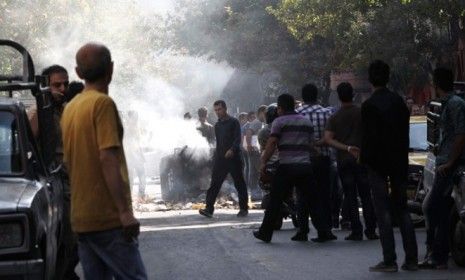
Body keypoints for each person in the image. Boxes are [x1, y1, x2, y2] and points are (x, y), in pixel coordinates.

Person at [61, 43, 147, 280]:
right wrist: (124, 213)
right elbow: (107, 157)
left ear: (78, 73)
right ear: (111, 68)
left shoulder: (70, 109)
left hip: (81, 219)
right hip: (107, 218)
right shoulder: (102, 104)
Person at [361, 60, 418, 272]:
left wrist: (365, 161)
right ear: (388, 77)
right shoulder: (399, 103)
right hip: (398, 162)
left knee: (383, 211)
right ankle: (411, 259)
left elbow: (368, 139)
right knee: (402, 209)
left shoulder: (369, 106)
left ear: (370, 79)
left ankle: (389, 260)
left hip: (377, 164)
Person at [253, 94, 315, 243]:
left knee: (275, 200)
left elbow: (272, 143)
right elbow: (311, 144)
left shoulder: (279, 122)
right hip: (305, 166)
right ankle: (323, 231)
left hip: (286, 166)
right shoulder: (306, 122)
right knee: (311, 199)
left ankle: (265, 233)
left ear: (280, 108)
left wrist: (263, 162)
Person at [420, 68, 465, 270]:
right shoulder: (445, 105)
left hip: (450, 165)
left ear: (436, 84)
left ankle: (438, 254)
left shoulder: (456, 105)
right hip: (444, 162)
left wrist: (449, 162)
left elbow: (460, 135)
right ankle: (437, 253)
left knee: (433, 207)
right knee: (439, 208)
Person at [324, 82, 378, 241]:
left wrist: (346, 148)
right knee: (366, 195)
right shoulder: (362, 113)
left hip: (344, 160)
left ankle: (356, 230)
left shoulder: (335, 117)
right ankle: (371, 230)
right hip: (362, 159)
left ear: (339, 97)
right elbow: (372, 135)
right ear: (353, 94)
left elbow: (328, 139)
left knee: (350, 196)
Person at [296, 84, 336, 242]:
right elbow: (332, 137)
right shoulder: (327, 113)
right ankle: (325, 231)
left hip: (302, 160)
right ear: (317, 96)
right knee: (324, 195)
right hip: (323, 159)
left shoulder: (296, 114)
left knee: (302, 195)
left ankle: (302, 231)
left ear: (303, 96)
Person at [199, 100, 249, 218]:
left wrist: (232, 150)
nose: (217, 112)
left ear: (225, 109)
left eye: (219, 109)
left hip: (234, 158)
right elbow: (219, 143)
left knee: (239, 183)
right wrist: (215, 156)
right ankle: (209, 209)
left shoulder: (234, 122)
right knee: (214, 183)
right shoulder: (217, 125)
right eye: (215, 110)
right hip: (221, 159)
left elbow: (238, 139)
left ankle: (244, 208)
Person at [244, 106, 267, 200]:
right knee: (255, 172)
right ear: (260, 112)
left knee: (255, 172)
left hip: (256, 150)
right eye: (265, 112)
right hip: (254, 151)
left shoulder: (261, 123)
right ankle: (254, 193)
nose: (266, 114)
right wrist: (249, 146)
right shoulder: (257, 122)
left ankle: (255, 193)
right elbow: (249, 132)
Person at [125, 110, 147, 202]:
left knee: (136, 177)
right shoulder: (129, 128)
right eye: (135, 117)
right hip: (132, 156)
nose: (136, 119)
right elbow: (133, 144)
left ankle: (137, 196)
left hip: (133, 156)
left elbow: (138, 143)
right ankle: (139, 196)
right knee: (138, 176)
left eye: (137, 117)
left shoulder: (132, 127)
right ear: (130, 117)